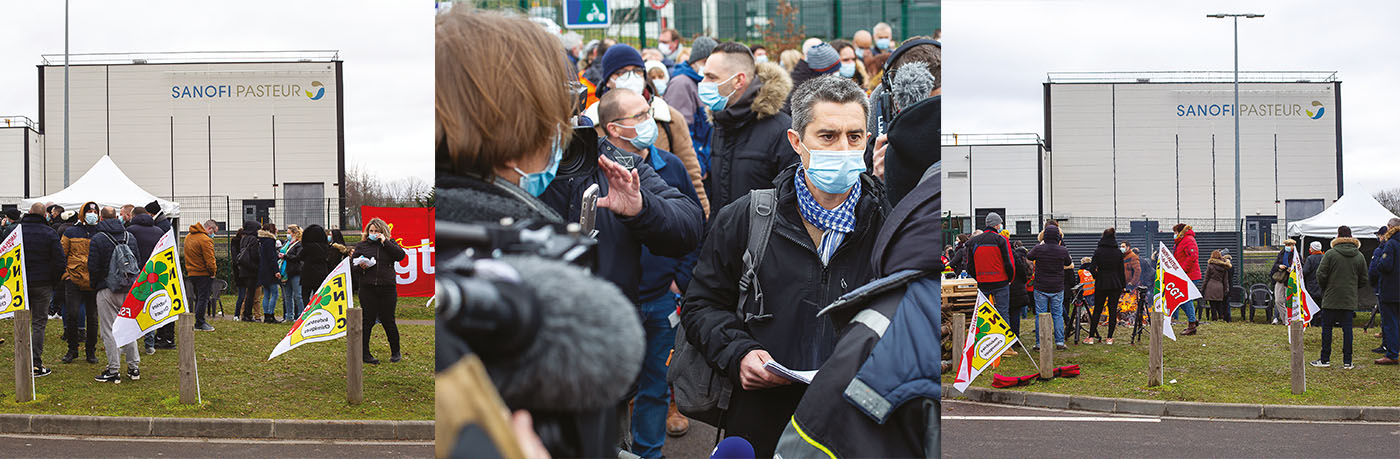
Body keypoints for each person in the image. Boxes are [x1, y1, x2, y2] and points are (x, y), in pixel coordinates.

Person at [681, 75, 888, 457]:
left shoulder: (888, 226)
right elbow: (701, 306)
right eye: (828, 136)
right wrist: (738, 352)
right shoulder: (745, 218)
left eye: (855, 137)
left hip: (856, 422)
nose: (844, 148)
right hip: (763, 422)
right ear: (796, 142)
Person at [597, 87, 704, 458]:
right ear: (613, 128)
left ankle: (649, 453)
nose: (650, 122)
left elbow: (693, 223)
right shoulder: (594, 172)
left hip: (661, 298)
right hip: (617, 304)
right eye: (639, 117)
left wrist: (680, 278)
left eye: (649, 112)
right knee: (613, 388)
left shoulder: (669, 166)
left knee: (657, 384)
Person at [583, 43, 709, 217]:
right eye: (621, 72)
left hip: (664, 211)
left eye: (637, 71)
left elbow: (691, 176)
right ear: (608, 79)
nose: (631, 77)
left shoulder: (668, 117)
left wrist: (702, 218)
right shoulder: (591, 123)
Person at [701, 41, 796, 218]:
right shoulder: (721, 122)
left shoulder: (781, 131)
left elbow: (790, 204)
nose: (703, 83)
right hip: (723, 239)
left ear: (738, 80)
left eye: (711, 77)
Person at [89, 206, 141, 383]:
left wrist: (95, 285)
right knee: (129, 326)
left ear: (101, 219)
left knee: (109, 330)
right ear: (117, 217)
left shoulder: (98, 238)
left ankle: (113, 369)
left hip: (107, 289)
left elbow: (93, 267)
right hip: (129, 289)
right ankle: (134, 367)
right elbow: (137, 262)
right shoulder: (130, 237)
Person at [350, 217, 407, 364]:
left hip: (387, 288)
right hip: (368, 288)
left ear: (383, 232)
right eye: (371, 231)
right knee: (367, 321)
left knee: (388, 320)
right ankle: (365, 353)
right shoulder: (362, 246)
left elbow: (400, 256)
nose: (373, 233)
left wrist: (385, 242)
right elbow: (353, 266)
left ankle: (395, 352)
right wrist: (360, 266)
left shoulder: (390, 244)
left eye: (377, 231)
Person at [1312, 226, 1369, 370]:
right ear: (1352, 237)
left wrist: (1326, 287)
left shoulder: (1330, 254)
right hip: (1349, 299)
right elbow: (1364, 278)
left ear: (1337, 236)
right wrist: (1353, 288)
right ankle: (1347, 361)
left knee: (1327, 329)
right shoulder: (1359, 256)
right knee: (1347, 330)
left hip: (1331, 298)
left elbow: (1320, 274)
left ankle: (1325, 359)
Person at [19, 203, 64, 377]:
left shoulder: (15, 232)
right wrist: (53, 280)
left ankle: (22, 361)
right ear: (45, 214)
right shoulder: (49, 233)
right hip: (43, 284)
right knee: (39, 323)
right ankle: (35, 362)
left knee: (21, 321)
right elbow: (59, 260)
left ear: (29, 212)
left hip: (20, 283)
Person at [665, 36, 717, 171]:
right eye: (704, 61)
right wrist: (698, 166)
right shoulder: (682, 84)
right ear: (694, 62)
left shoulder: (705, 83)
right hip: (698, 165)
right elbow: (682, 134)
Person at [60, 201, 101, 364]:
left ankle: (91, 351)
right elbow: (61, 254)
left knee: (92, 317)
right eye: (90, 211)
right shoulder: (71, 232)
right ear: (83, 213)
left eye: (95, 211)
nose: (93, 213)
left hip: (93, 281)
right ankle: (72, 349)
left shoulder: (100, 231)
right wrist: (65, 275)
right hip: (74, 279)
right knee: (72, 314)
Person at [126, 206, 167, 352]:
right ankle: (149, 344)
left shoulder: (130, 231)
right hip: (153, 274)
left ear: (133, 216)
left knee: (133, 306)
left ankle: (130, 342)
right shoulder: (159, 231)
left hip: (135, 273)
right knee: (149, 308)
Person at [964, 212, 1015, 322]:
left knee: (984, 314)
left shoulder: (973, 241)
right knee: (1003, 312)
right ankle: (1005, 338)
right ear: (996, 225)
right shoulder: (1001, 240)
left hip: (983, 282)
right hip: (1001, 281)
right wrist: (1010, 278)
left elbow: (969, 265)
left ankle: (986, 337)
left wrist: (978, 277)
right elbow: (1008, 262)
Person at [1027, 225, 1072, 350]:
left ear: (1045, 236)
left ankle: (1039, 343)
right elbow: (1068, 263)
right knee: (1057, 315)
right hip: (1057, 287)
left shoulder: (1039, 249)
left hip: (1041, 287)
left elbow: (1029, 256)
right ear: (1058, 236)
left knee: (1040, 314)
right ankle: (1059, 342)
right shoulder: (1062, 250)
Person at [1086, 228, 1125, 345]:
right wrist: (1122, 285)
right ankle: (1109, 338)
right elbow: (1121, 270)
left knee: (1097, 309)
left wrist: (1097, 276)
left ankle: (1091, 337)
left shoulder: (1098, 251)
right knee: (1112, 310)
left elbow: (1091, 268)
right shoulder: (1118, 252)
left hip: (1101, 282)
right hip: (1115, 283)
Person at [1369, 218, 1400, 365]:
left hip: (1390, 289)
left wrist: (1380, 263)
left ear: (1391, 228)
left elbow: (1385, 265)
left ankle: (1392, 353)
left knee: (1390, 322)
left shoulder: (1391, 244)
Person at [782, 42, 839, 114]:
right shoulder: (801, 91)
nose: (838, 73)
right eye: (835, 71)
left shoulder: (804, 80)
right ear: (823, 72)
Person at [183, 219, 218, 332]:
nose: (214, 235)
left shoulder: (188, 236)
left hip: (191, 272)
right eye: (214, 231)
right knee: (203, 298)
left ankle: (199, 320)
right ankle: (200, 322)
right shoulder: (205, 240)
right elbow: (210, 260)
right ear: (209, 229)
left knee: (198, 297)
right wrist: (212, 272)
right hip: (203, 273)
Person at [1172, 223, 1202, 335]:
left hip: (1190, 275)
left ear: (1180, 232)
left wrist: (1182, 270)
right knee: (1180, 298)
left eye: (1175, 232)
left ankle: (1192, 324)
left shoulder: (1188, 240)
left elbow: (1192, 257)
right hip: (1184, 274)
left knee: (1185, 298)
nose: (1174, 235)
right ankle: (1192, 318)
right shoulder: (1180, 241)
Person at [233, 220, 262, 322]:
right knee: (251, 294)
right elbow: (254, 255)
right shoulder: (254, 239)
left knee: (247, 294)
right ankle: (248, 315)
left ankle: (244, 313)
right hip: (252, 269)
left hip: (244, 269)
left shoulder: (244, 239)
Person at [298, 225, 332, 307]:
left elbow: (299, 257)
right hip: (321, 273)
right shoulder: (325, 247)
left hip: (308, 273)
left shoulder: (308, 247)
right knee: (318, 296)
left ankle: (307, 312)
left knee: (305, 295)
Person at [257, 223, 282, 324]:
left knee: (266, 294)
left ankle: (266, 315)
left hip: (263, 270)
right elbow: (271, 258)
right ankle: (271, 315)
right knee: (275, 293)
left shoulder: (261, 241)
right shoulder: (271, 241)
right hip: (270, 271)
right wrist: (276, 271)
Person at [279, 224, 304, 322]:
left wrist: (285, 256)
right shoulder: (287, 243)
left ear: (294, 233)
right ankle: (289, 316)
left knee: (298, 295)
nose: (287, 235)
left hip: (295, 271)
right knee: (287, 296)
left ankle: (301, 315)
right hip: (286, 272)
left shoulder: (299, 244)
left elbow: (298, 257)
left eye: (289, 233)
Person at [1009, 239, 1032, 343]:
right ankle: (1015, 338)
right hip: (1018, 287)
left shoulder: (1004, 255)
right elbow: (1022, 271)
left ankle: (1008, 339)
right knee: (1015, 314)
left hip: (1006, 287)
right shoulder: (1016, 256)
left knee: (1006, 313)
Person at [1271, 239, 1299, 325]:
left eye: (1289, 244)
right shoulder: (1281, 254)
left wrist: (1292, 269)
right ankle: (1285, 319)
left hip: (1290, 280)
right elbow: (1274, 265)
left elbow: (1300, 267)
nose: (1288, 246)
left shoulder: (1296, 255)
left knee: (1289, 301)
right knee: (1278, 300)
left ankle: (1288, 320)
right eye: (1286, 244)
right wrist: (1279, 266)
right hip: (1280, 279)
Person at [1203, 249, 1233, 324]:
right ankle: (1221, 317)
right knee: (1219, 304)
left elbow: (1206, 278)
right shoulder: (1224, 267)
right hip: (1220, 287)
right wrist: (1226, 289)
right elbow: (1225, 280)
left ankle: (1214, 318)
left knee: (1212, 305)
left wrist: (1203, 288)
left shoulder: (1210, 266)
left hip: (1210, 286)